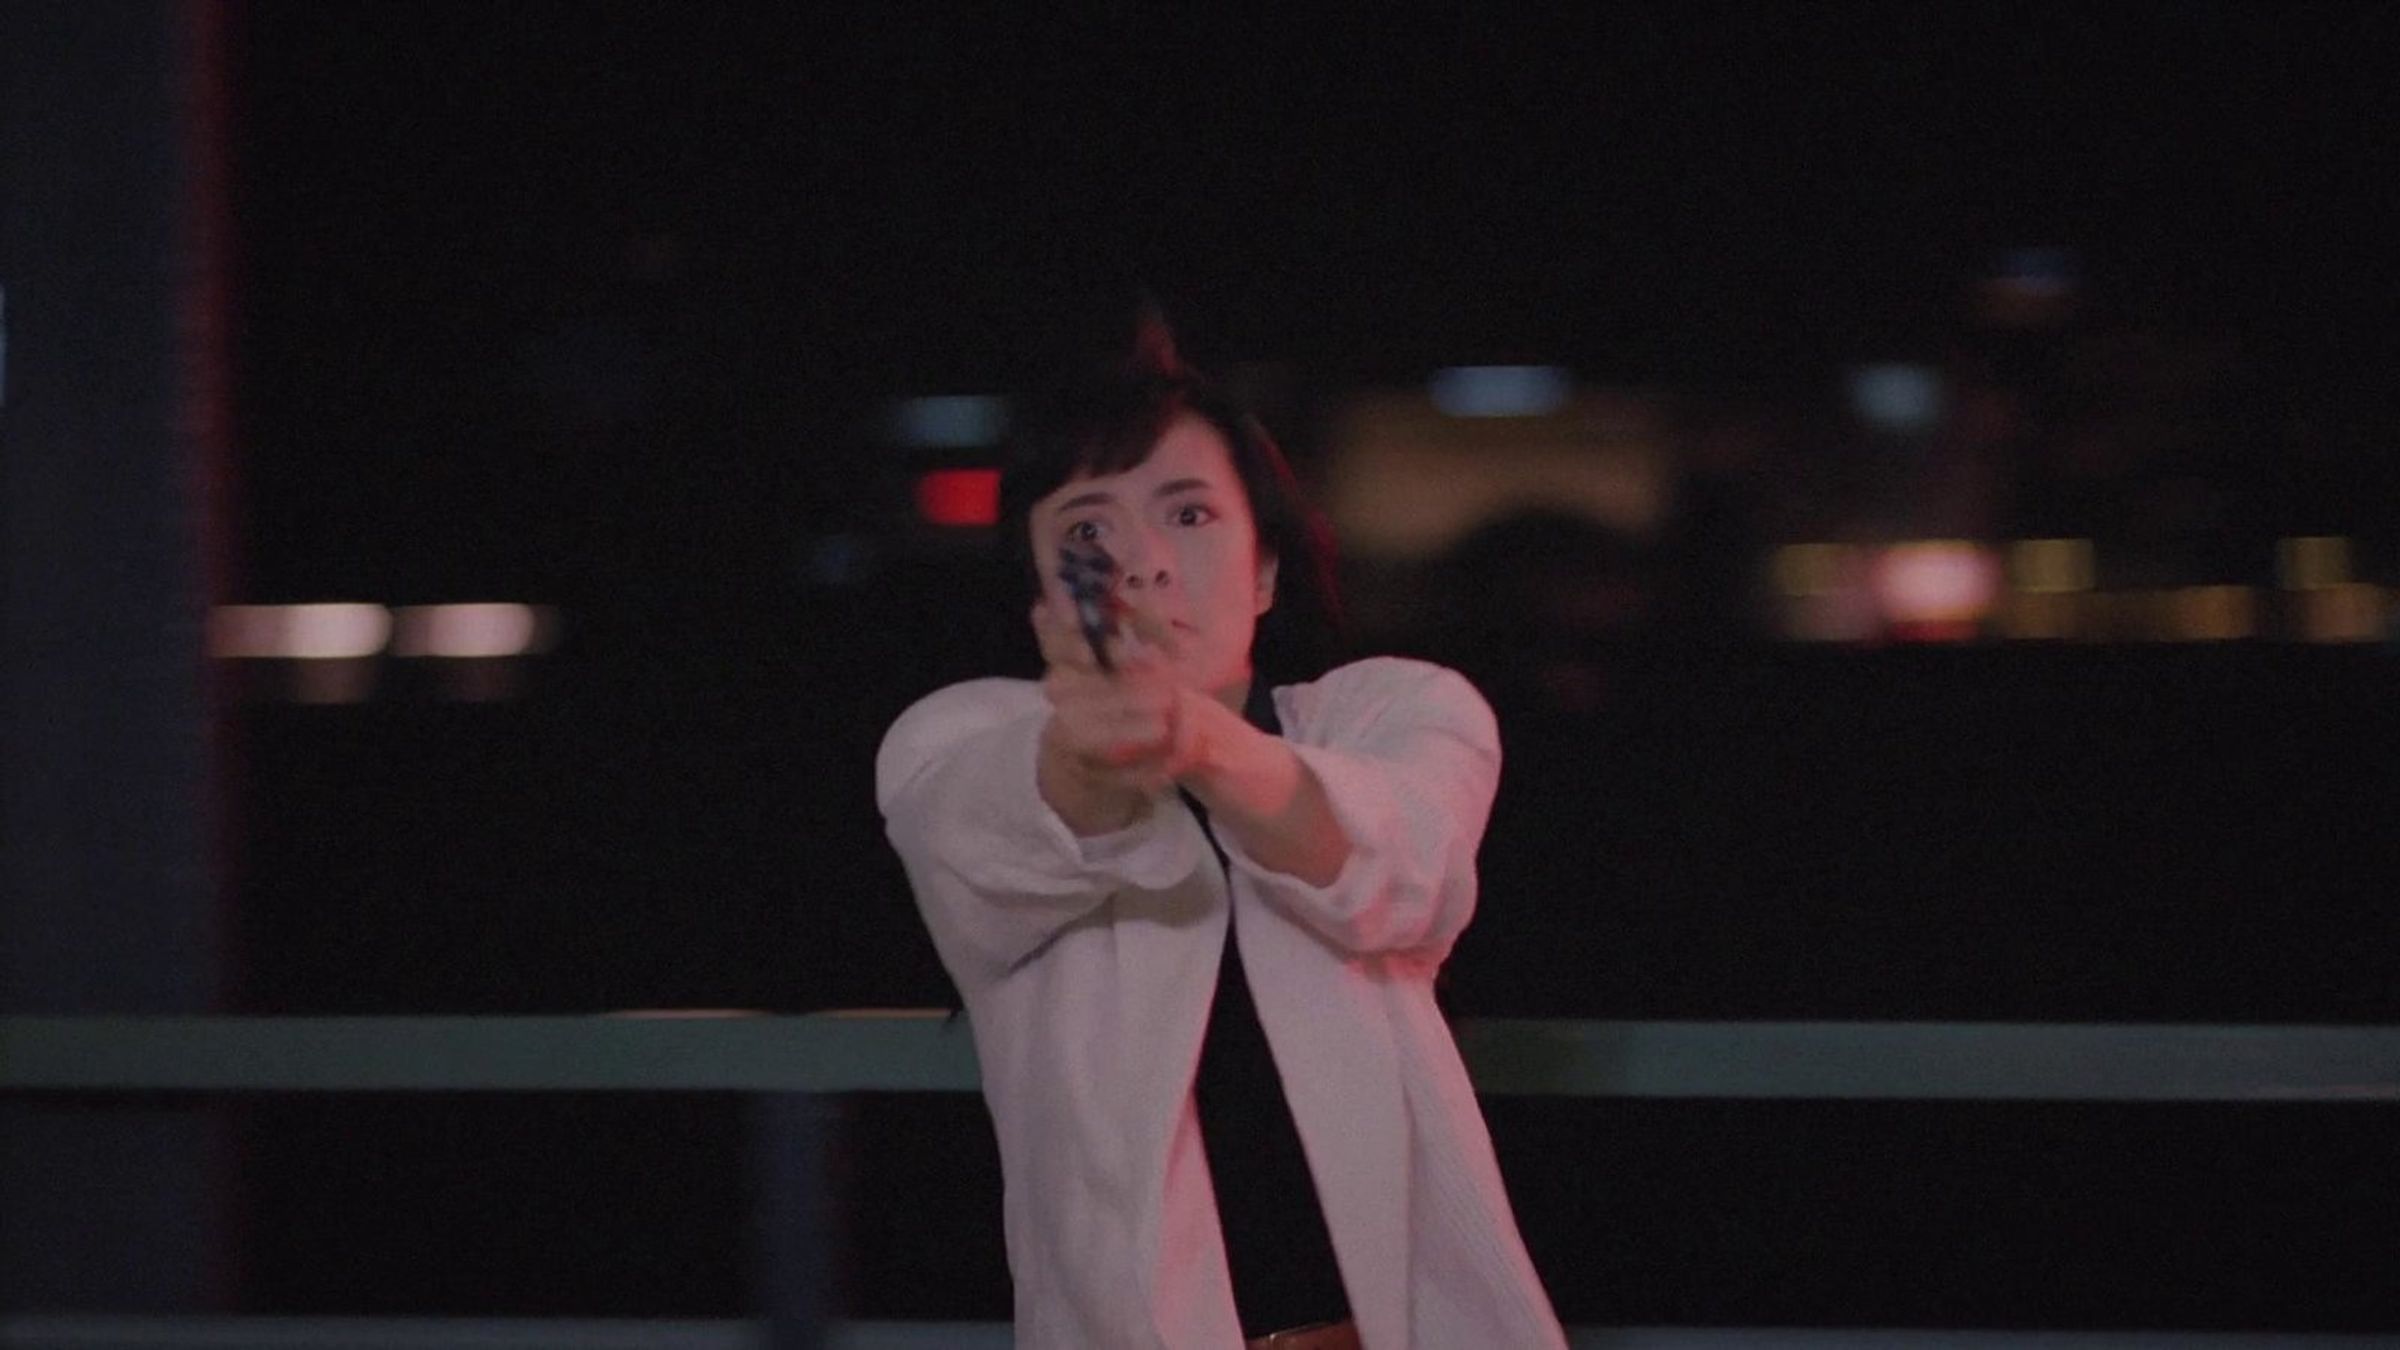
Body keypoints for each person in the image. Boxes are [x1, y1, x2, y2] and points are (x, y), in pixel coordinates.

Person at [876, 311, 1565, 1349]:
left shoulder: (1389, 712)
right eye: (1088, 533)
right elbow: (989, 842)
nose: (1143, 563)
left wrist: (1195, 737)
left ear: (1266, 569)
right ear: (1037, 597)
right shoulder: (957, 738)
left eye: (1190, 514)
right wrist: (1094, 753)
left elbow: (1401, 869)